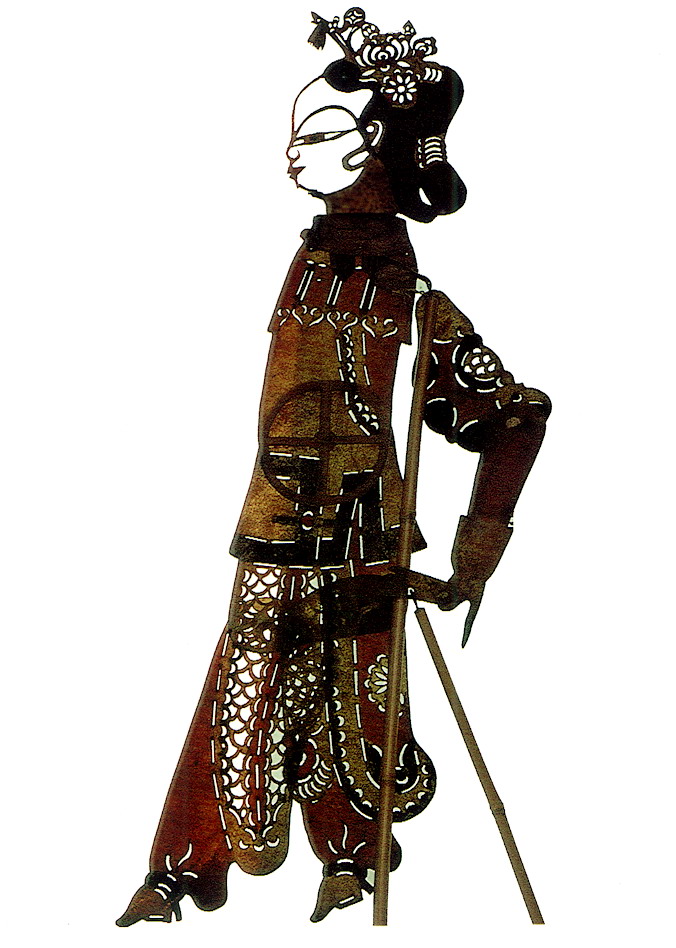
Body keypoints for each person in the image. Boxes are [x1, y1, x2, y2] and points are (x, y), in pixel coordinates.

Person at [116, 7, 550, 927]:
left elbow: (517, 417)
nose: (295, 153)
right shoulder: (307, 268)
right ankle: (186, 867)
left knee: (360, 700)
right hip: (273, 528)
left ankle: (350, 859)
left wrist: (474, 557)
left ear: (377, 151)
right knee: (242, 692)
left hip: (363, 538)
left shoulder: (415, 304)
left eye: (319, 133)